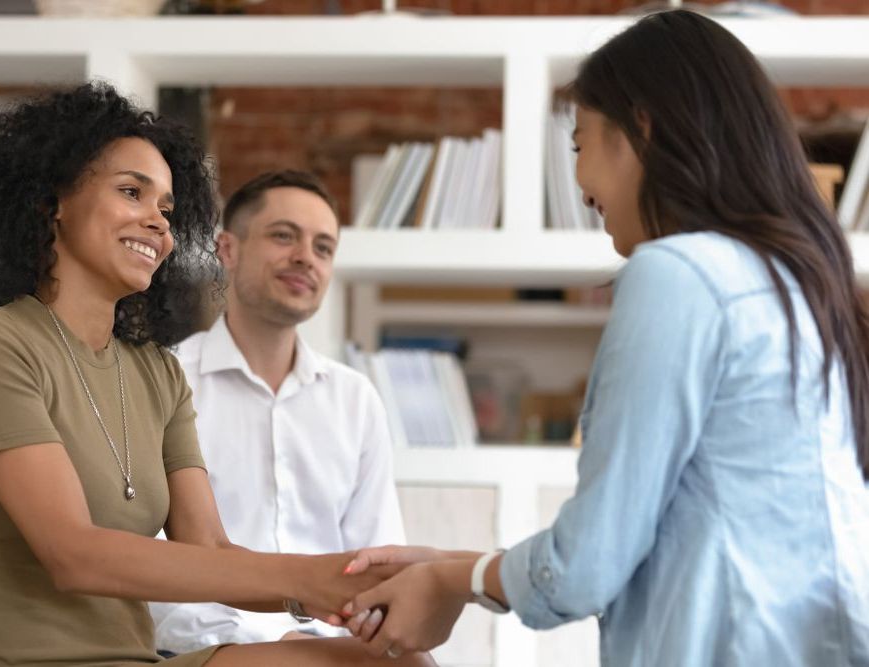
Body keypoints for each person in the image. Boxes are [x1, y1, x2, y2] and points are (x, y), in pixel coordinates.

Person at [340, 10, 869, 666]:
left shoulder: (678, 274)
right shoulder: (793, 280)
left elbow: (586, 565)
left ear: (639, 127)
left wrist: (457, 580)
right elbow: (673, 524)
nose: (581, 181)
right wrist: (459, 565)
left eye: (579, 143)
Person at [0, 82, 433, 667]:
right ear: (52, 202)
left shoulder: (158, 373)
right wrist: (309, 577)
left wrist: (333, 596)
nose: (157, 224)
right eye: (131, 193)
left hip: (146, 660)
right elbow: (74, 555)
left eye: (166, 209)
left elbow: (210, 548)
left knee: (398, 661)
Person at [151, 170, 405, 652]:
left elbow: (376, 563)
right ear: (228, 249)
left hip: (336, 652)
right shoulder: (168, 381)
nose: (305, 257)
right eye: (284, 236)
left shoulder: (356, 399)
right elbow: (152, 570)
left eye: (323, 247)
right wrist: (277, 645)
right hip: (208, 652)